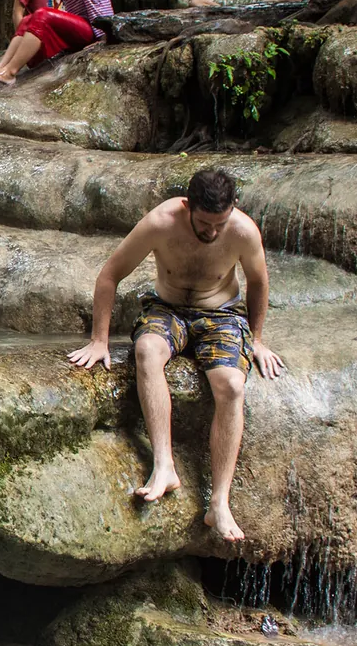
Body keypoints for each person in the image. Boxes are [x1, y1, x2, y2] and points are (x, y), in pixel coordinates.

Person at [67, 168, 286, 543]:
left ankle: (218, 503)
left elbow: (259, 282)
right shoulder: (160, 222)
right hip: (167, 309)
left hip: (221, 314)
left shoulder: (243, 230)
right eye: (205, 223)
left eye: (221, 223)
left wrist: (258, 339)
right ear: (188, 206)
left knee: (232, 385)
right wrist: (99, 340)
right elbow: (109, 275)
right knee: (147, 349)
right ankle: (164, 464)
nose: (213, 232)